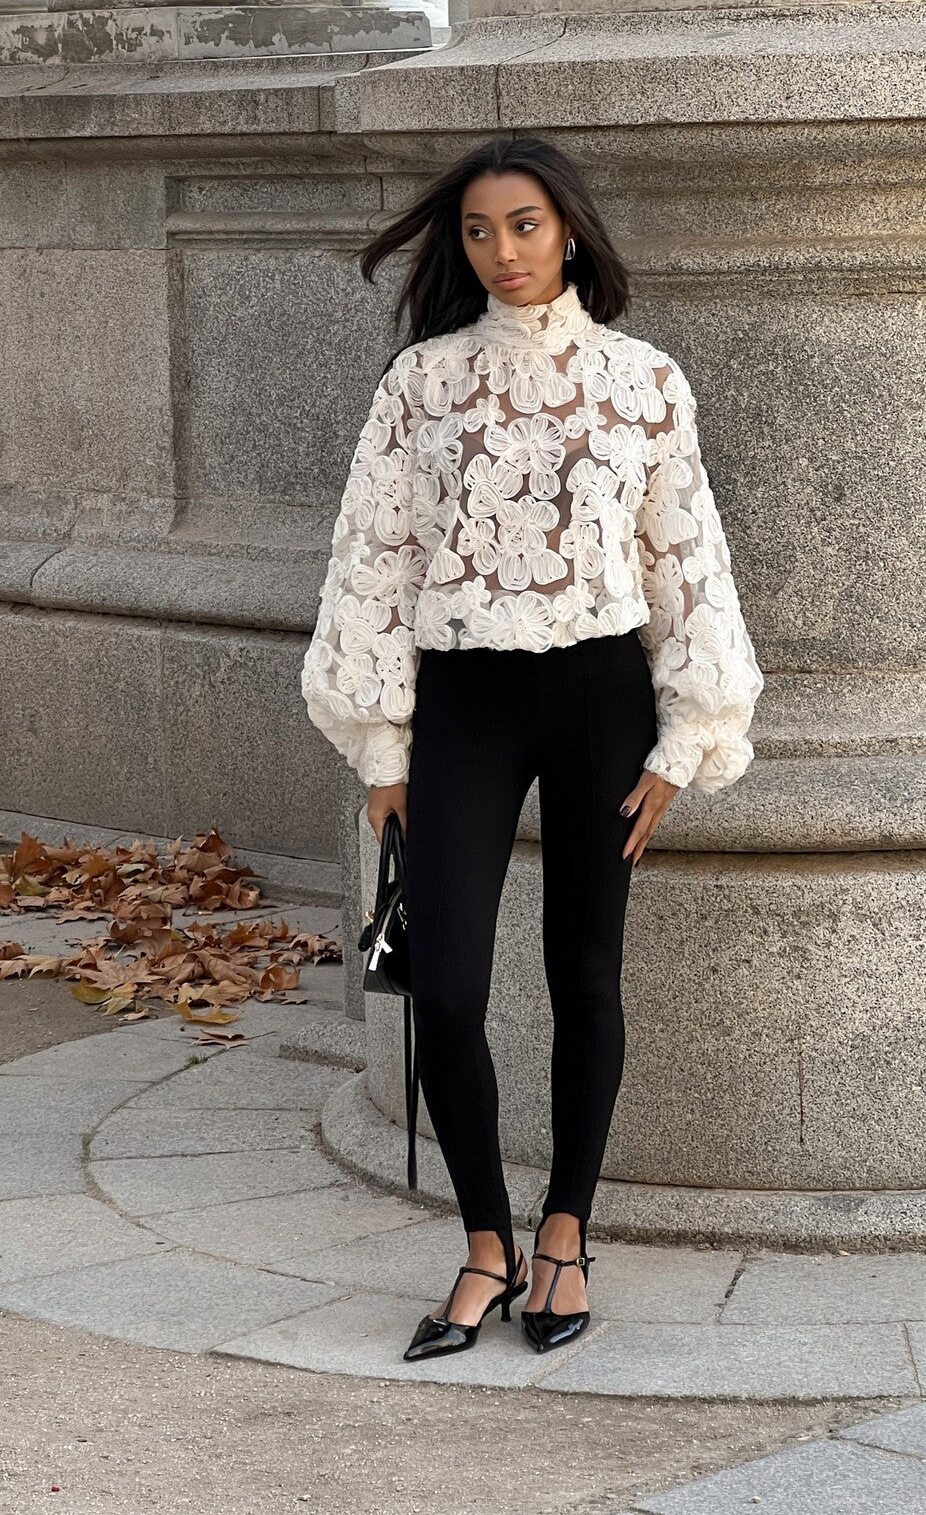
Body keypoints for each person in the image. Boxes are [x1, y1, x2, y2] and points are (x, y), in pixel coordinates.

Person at [301, 136, 764, 1362]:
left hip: (601, 699)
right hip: (462, 703)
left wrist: (689, 735)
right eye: (475, 232)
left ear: (567, 232)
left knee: (584, 974)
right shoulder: (421, 384)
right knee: (444, 986)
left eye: (522, 226)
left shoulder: (645, 382)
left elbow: (683, 557)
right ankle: (483, 1244)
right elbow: (375, 558)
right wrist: (381, 744)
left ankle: (563, 1233)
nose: (499, 253)